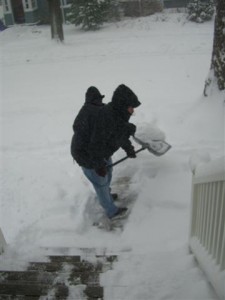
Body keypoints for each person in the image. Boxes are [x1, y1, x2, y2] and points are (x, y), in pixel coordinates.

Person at [71, 84, 141, 220]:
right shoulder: (105, 119)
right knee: (101, 183)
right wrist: (97, 165)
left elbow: (120, 134)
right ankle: (111, 211)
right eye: (131, 107)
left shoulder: (116, 116)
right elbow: (95, 146)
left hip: (100, 153)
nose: (132, 111)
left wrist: (128, 149)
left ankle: (106, 195)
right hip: (87, 156)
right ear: (123, 106)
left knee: (108, 174)